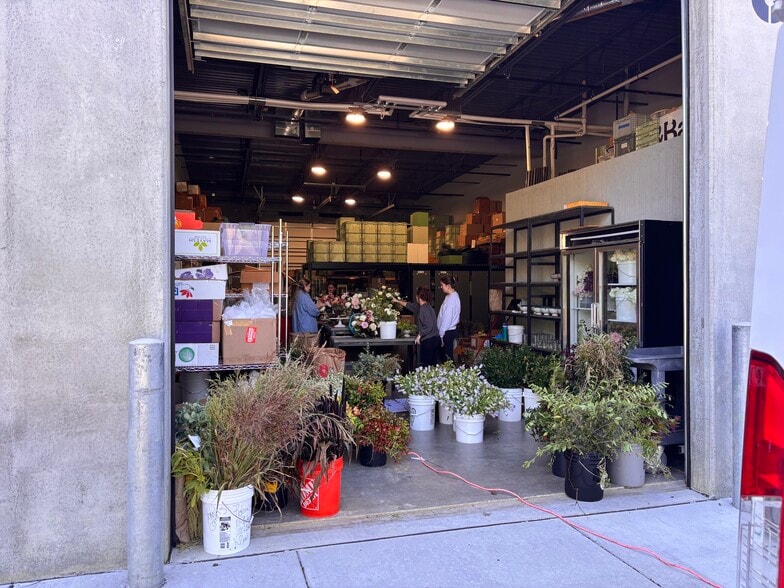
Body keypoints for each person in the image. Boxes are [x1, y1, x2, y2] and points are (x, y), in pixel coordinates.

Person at [393, 287, 440, 367]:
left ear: (418, 297)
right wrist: (397, 301)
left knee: (425, 366)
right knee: (432, 367)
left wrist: (419, 335)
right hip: (435, 339)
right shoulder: (425, 307)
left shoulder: (424, 309)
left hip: (429, 341)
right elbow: (409, 305)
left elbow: (429, 325)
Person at [437, 274, 461, 363]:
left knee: (447, 359)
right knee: (447, 358)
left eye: (442, 285)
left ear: (448, 286)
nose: (441, 287)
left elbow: (447, 318)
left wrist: (441, 334)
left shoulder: (451, 299)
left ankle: (451, 371)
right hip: (447, 331)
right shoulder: (452, 296)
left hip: (447, 332)